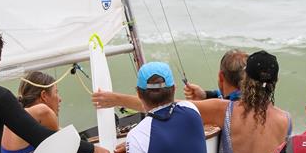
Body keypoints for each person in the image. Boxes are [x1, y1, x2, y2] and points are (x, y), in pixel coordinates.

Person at [89, 49, 246, 111]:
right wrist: (206, 94)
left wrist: (116, 99)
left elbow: (163, 107)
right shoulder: (258, 102)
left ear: (221, 76)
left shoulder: (225, 110)